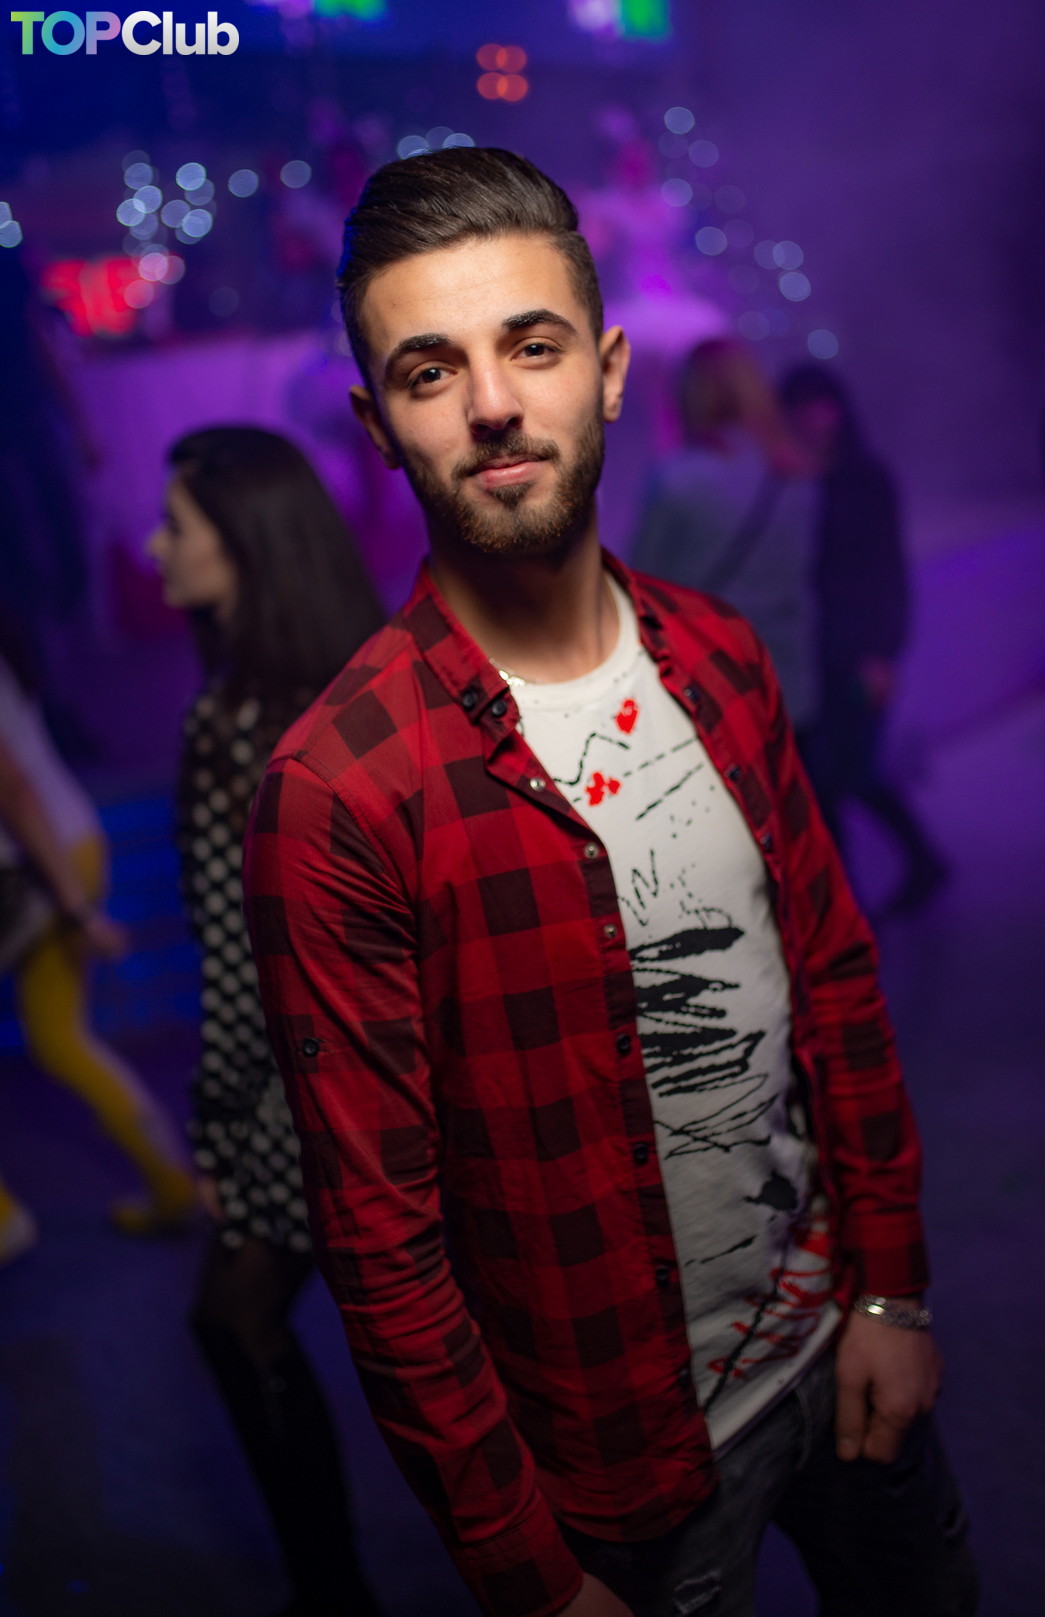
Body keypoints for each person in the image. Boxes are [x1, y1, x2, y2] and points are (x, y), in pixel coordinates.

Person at [244, 149, 978, 1617]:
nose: (493, 403)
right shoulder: (340, 789)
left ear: (612, 369)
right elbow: (383, 1244)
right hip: (624, 1479)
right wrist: (529, 1574)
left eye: (533, 345)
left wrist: (893, 1290)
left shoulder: (720, 654)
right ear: (376, 425)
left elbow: (836, 985)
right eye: (430, 369)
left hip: (845, 1353)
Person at [146, 427, 384, 1617]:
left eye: (175, 526)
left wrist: (218, 1138)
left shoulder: (236, 726)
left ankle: (332, 1596)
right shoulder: (357, 694)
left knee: (233, 1323)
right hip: (385, 1080)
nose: (154, 548)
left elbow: (244, 970)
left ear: (244, 544)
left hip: (300, 1102)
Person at [0, 618, 195, 1265]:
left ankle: (4, 1220)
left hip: (34, 867)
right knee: (62, 1039)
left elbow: (12, 789)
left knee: (62, 1038)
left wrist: (76, 907)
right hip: (66, 845)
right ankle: (171, 1184)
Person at [780, 363, 948, 915]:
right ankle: (901, 871)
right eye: (802, 407)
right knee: (833, 771)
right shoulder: (787, 480)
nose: (814, 418)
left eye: (822, 405)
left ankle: (866, 891)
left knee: (843, 771)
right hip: (809, 648)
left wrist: (883, 654)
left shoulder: (865, 478)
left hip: (855, 650)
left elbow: (886, 570)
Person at [631, 338, 820, 753]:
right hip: (789, 682)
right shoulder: (796, 475)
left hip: (713, 688)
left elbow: (640, 591)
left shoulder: (677, 483)